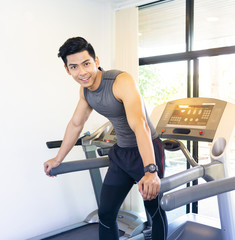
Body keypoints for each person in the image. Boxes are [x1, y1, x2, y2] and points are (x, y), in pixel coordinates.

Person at [43, 37, 168, 240]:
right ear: (67, 70)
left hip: (146, 151)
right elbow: (76, 124)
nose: (82, 72)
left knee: (154, 211)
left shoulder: (121, 81)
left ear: (96, 60)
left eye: (86, 63)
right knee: (106, 213)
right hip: (121, 154)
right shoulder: (85, 91)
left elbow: (140, 124)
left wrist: (150, 170)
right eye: (74, 67)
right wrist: (58, 159)